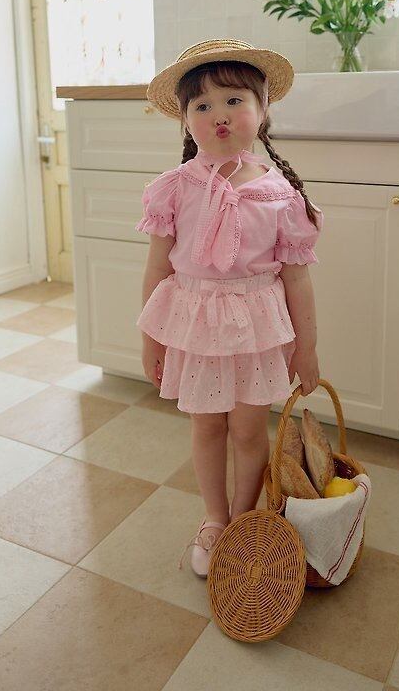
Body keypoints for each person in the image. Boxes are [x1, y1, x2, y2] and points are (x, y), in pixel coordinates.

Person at [135, 38, 324, 577]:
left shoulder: (281, 195)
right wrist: (151, 340)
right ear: (185, 120)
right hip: (196, 330)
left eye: (234, 100)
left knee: (247, 430)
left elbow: (297, 279)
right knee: (206, 427)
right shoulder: (173, 190)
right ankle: (214, 517)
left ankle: (243, 517)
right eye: (202, 105)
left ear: (263, 111)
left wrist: (307, 348)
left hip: (256, 332)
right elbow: (157, 270)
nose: (219, 115)